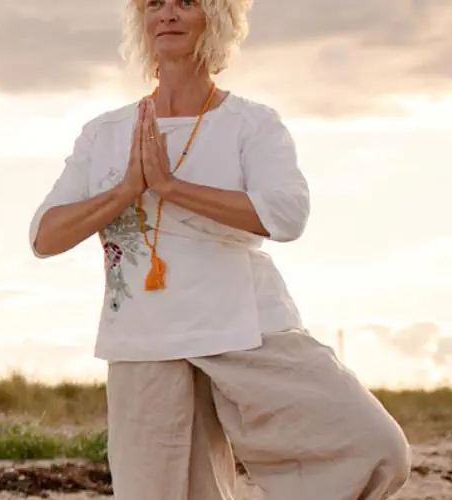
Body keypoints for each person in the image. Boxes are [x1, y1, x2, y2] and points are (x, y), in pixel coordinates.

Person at [27, 1, 410, 498]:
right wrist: (126, 190)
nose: (167, 14)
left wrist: (169, 185)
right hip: (146, 341)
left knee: (374, 446)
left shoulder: (252, 124)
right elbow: (44, 236)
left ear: (218, 18)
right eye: (155, 4)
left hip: (245, 327)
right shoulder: (106, 133)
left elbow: (287, 214)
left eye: (186, 2)